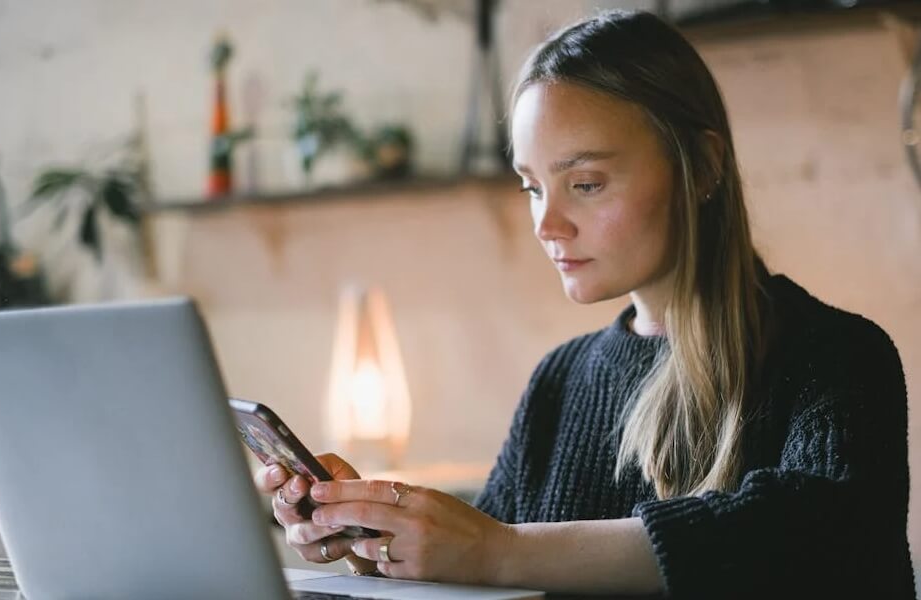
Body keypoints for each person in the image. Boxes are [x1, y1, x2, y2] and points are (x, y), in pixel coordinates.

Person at [254, 10, 914, 598]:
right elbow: (484, 568)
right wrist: (376, 535)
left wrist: (497, 552)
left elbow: (805, 536)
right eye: (532, 187)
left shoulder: (837, 356)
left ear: (705, 167)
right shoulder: (560, 382)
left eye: (586, 183)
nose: (548, 223)